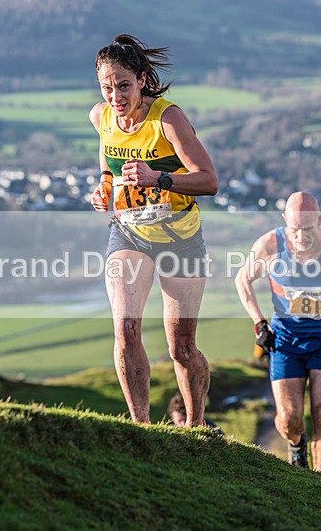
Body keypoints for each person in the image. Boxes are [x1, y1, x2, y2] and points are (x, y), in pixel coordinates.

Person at [89, 34, 218, 426]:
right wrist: (104, 189)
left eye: (123, 86)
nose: (115, 96)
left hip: (181, 238)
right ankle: (141, 427)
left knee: (181, 347)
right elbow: (109, 169)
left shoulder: (168, 118)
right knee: (126, 329)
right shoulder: (101, 117)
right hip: (130, 234)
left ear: (142, 80)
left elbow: (208, 181)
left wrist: (158, 179)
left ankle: (195, 427)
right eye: (107, 87)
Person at [235, 192, 321, 473]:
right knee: (289, 419)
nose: (300, 237)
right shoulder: (270, 245)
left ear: (320, 220)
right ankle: (297, 446)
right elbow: (243, 279)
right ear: (284, 220)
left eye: (308, 229)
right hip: (286, 339)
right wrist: (259, 323)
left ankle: (320, 482)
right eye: (294, 229)